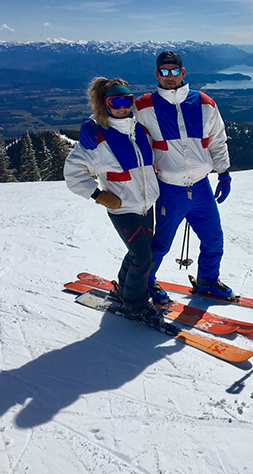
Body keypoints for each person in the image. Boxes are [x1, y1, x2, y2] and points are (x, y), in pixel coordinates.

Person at [79, 51, 234, 303]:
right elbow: (118, 114)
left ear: (183, 73)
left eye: (174, 71)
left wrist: (224, 173)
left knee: (214, 239)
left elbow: (218, 140)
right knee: (159, 245)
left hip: (201, 187)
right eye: (164, 72)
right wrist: (90, 122)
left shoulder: (204, 103)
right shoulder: (144, 105)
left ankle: (207, 280)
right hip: (170, 190)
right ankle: (147, 282)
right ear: (157, 74)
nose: (169, 77)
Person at [64, 77, 162, 323]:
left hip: (145, 205)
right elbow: (73, 171)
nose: (121, 107)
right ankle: (135, 305)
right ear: (105, 104)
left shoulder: (140, 129)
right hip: (122, 209)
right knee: (143, 258)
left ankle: (123, 289)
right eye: (114, 101)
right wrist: (98, 195)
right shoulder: (98, 138)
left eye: (126, 100)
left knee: (138, 253)